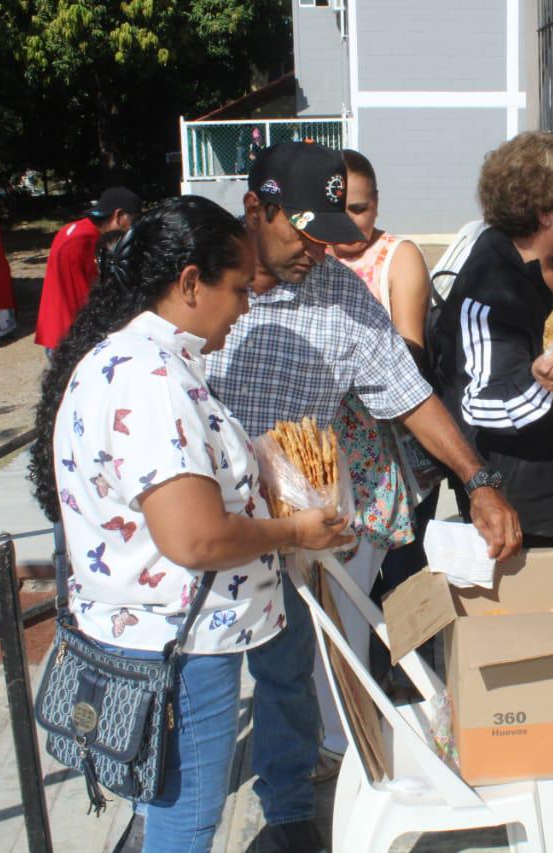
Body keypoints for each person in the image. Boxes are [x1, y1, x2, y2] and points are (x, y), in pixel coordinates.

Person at [204, 141, 522, 853]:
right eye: (303, 232)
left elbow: (409, 394)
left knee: (291, 675)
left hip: (294, 527)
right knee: (203, 695)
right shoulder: (198, 281)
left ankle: (289, 812)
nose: (318, 249)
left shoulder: (340, 291)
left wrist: (478, 479)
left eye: (331, 235)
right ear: (257, 207)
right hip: (201, 531)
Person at [27, 196, 350, 852]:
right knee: (185, 820)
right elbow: (195, 537)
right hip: (182, 645)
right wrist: (295, 533)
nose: (245, 306)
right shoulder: (150, 378)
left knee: (177, 811)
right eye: (237, 287)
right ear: (190, 283)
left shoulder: (136, 360)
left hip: (163, 633)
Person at [432, 131, 553, 547]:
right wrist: (540, 385)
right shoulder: (488, 293)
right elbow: (479, 404)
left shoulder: (546, 259)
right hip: (513, 488)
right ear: (543, 212)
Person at [327, 148, 442, 694]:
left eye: (362, 207)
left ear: (377, 204)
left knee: (403, 574)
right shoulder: (314, 257)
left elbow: (410, 357)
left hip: (399, 446)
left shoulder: (398, 256)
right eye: (341, 208)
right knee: (349, 584)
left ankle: (414, 682)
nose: (352, 222)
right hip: (336, 456)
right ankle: (356, 689)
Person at [35, 186, 142, 352]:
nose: (131, 228)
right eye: (133, 220)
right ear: (119, 215)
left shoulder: (74, 229)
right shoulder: (84, 240)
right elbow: (87, 295)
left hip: (57, 326)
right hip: (69, 334)